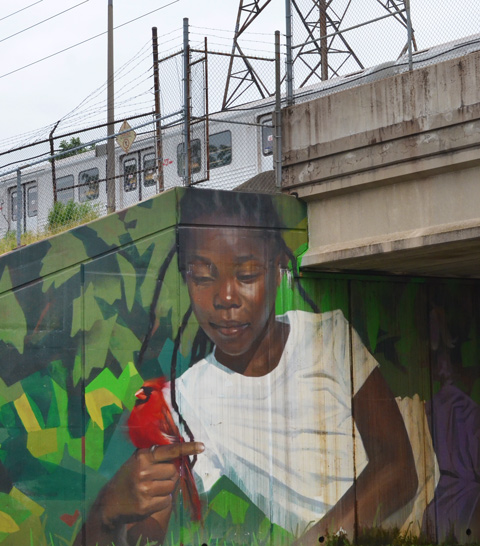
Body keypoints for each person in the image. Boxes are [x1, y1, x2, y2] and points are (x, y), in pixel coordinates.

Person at [75, 190, 417, 546]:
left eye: (247, 273)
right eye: (203, 276)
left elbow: (399, 467)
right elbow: (147, 536)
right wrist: (107, 511)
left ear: (276, 267)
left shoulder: (326, 338)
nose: (225, 297)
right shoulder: (185, 401)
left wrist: (316, 541)